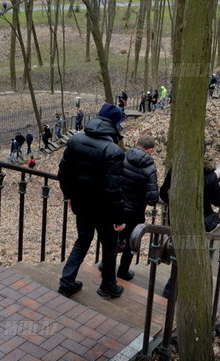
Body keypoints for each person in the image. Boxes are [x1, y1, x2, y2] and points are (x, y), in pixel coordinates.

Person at [57, 104, 126, 299]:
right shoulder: (113, 151)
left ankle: (66, 282)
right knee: (110, 247)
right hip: (104, 211)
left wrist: (70, 195)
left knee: (82, 241)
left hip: (82, 205)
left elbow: (63, 174)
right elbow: (114, 190)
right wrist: (119, 218)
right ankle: (108, 286)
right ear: (114, 125)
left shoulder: (75, 140)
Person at [158, 154, 220, 297]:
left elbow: (163, 193)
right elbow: (219, 200)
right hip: (198, 222)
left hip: (177, 218)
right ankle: (171, 291)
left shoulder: (176, 169)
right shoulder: (210, 176)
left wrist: (176, 205)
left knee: (181, 251)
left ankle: (173, 289)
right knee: (188, 254)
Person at [116, 135, 159, 281]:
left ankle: (105, 264)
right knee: (130, 241)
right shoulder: (150, 168)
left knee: (114, 236)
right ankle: (123, 271)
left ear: (136, 144)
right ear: (150, 150)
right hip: (135, 212)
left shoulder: (122, 156)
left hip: (117, 206)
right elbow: (153, 198)